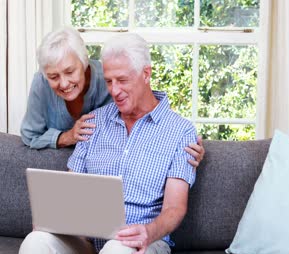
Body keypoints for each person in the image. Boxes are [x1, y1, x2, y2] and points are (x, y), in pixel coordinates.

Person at [17, 33, 198, 254]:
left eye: (122, 80)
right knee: (37, 241)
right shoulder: (92, 123)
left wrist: (149, 232)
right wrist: (54, 219)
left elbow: (175, 208)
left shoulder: (181, 132)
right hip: (88, 243)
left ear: (146, 74)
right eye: (109, 81)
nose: (114, 91)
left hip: (142, 244)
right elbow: (71, 191)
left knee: (116, 251)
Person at [19, 27, 205, 167]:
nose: (64, 83)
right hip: (77, 164)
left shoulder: (109, 78)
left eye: (69, 71)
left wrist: (182, 145)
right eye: (54, 76)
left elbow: (143, 109)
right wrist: (67, 137)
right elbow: (29, 135)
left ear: (83, 63)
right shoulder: (41, 84)